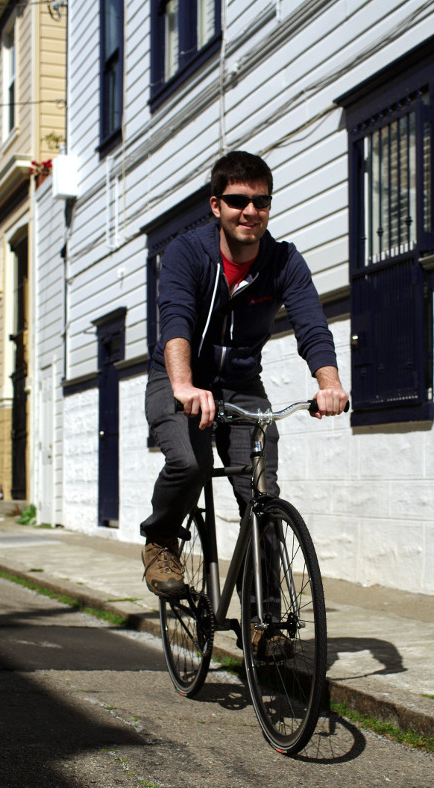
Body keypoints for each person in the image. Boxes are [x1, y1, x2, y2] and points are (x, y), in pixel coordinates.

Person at [141, 150, 348, 598]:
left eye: (261, 202)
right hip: (179, 377)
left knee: (261, 496)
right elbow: (175, 320)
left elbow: (311, 323)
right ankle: (160, 540)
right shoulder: (187, 253)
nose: (250, 212)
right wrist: (182, 384)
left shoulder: (285, 261)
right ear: (216, 205)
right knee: (189, 463)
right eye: (237, 201)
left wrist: (328, 382)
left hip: (240, 385)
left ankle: (265, 618)